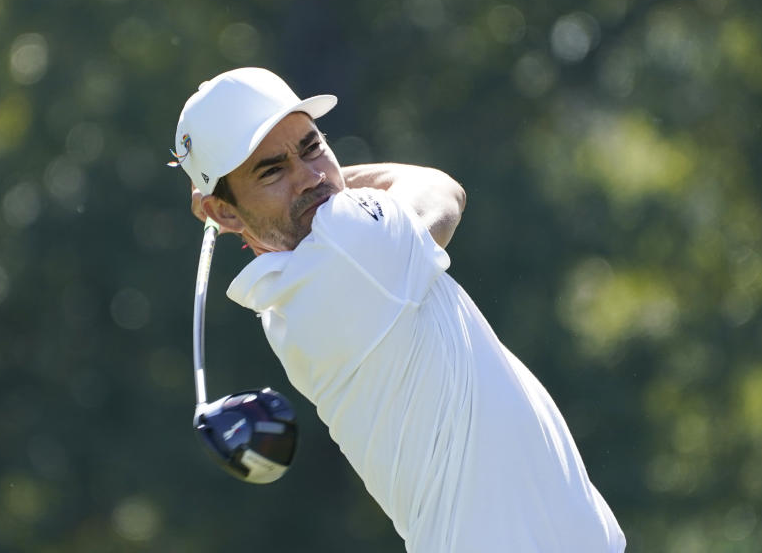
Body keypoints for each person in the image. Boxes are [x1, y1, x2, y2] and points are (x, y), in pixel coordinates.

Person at [170, 67, 626, 552]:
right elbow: (440, 189)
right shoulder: (351, 251)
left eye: (312, 147)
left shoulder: (296, 289)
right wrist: (334, 182)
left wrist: (317, 182)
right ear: (224, 212)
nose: (310, 177)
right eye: (272, 170)